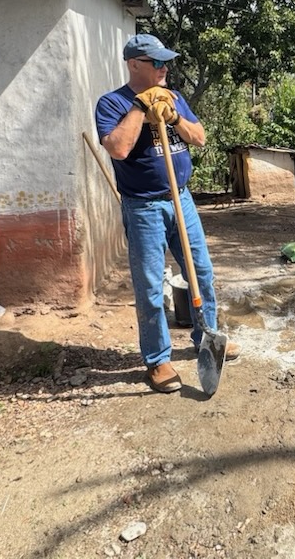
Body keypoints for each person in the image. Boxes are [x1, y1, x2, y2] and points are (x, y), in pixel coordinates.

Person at [95, 34, 240, 393]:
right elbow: (117, 148)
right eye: (156, 62)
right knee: (148, 285)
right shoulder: (112, 103)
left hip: (182, 200)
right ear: (134, 64)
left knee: (200, 272)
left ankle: (205, 336)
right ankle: (158, 360)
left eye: (165, 62)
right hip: (143, 205)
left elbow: (199, 137)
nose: (165, 68)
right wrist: (140, 109)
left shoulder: (174, 97)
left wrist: (173, 115)